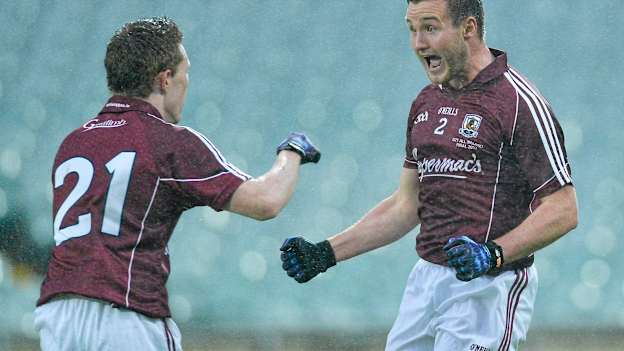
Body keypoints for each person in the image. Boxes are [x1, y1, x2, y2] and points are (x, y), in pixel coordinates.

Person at [280, 0, 578, 350]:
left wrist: (493, 253)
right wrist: (326, 252)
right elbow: (408, 205)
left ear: (468, 28)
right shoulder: (425, 102)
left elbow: (563, 209)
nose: (418, 43)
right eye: (412, 29)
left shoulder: (517, 102)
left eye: (430, 28)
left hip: (489, 288)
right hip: (425, 282)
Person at [34, 17, 321, 351]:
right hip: (126, 316)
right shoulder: (166, 141)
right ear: (165, 79)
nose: (187, 83)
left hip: (57, 316)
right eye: (185, 73)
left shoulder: (73, 142)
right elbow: (266, 200)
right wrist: (292, 152)